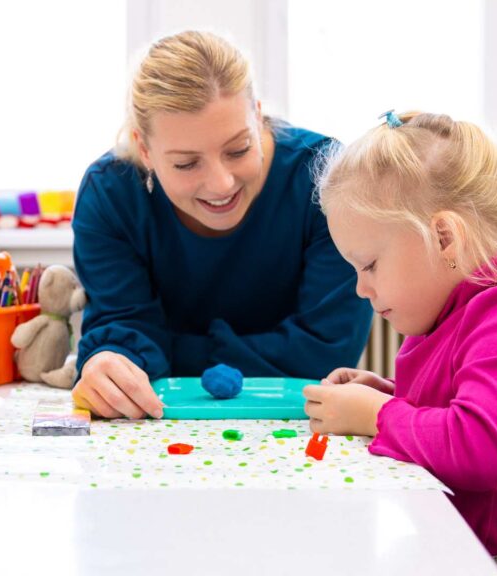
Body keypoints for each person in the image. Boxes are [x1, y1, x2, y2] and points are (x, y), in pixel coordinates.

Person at [305, 110, 497, 575]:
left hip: (494, 563)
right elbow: (455, 404)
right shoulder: (452, 305)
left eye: (369, 265)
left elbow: (481, 449)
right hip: (444, 542)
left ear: (444, 237)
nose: (360, 289)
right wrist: (388, 394)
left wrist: (375, 415)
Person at [71, 31, 372, 420]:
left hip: (301, 421)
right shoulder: (110, 195)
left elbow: (326, 352)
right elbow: (122, 331)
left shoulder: (326, 178)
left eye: (239, 149)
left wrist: (167, 351)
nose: (222, 184)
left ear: (258, 115)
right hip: (161, 426)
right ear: (144, 149)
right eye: (186, 163)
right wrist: (109, 364)